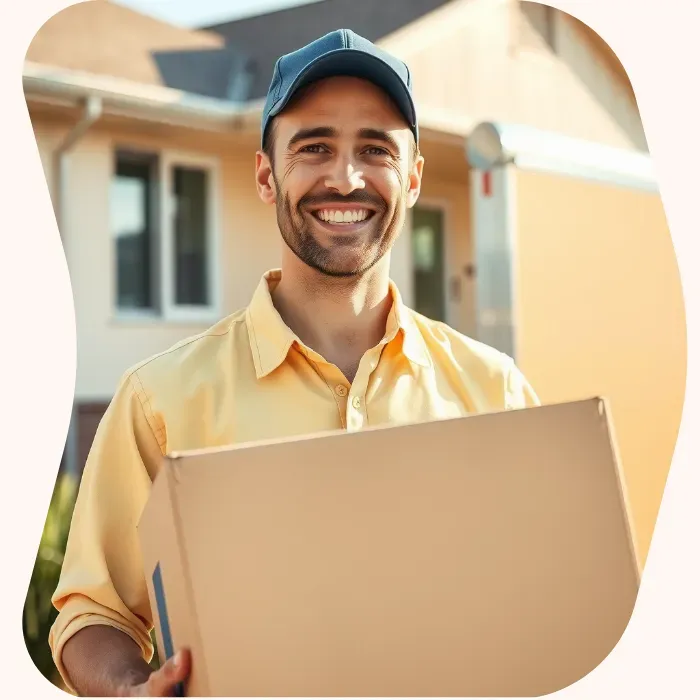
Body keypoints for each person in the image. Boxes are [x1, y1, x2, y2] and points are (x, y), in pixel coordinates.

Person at [49, 29, 539, 697]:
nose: (346, 177)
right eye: (314, 148)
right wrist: (133, 688)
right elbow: (92, 615)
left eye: (376, 149)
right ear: (265, 174)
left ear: (415, 178)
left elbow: (542, 593)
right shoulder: (159, 403)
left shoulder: (495, 393)